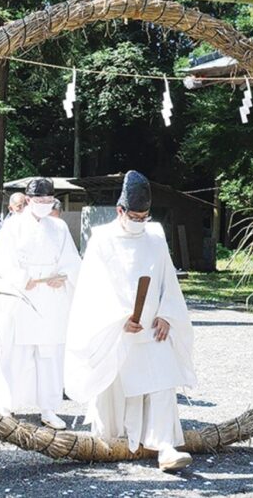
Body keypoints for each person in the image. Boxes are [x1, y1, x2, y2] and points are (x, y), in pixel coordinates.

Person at [64, 170, 197, 472]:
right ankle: (116, 439)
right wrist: (117, 320)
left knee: (162, 382)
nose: (139, 222)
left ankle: (164, 445)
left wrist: (166, 314)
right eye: (134, 216)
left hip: (152, 327)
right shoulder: (101, 239)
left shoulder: (156, 235)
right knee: (117, 386)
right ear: (120, 210)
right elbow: (92, 289)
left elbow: (167, 280)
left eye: (144, 216)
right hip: (118, 329)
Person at [0, 177, 80, 430]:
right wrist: (22, 278)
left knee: (49, 355)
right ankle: (6, 405)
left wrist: (64, 275)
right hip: (20, 298)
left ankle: (49, 407)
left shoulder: (58, 227)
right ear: (28, 200)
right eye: (39, 200)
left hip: (50, 299)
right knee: (13, 353)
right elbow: (1, 263)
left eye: (48, 200)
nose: (44, 204)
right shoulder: (13, 226)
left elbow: (71, 259)